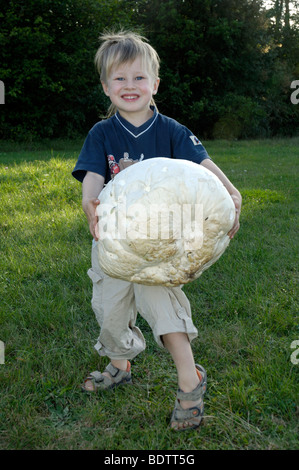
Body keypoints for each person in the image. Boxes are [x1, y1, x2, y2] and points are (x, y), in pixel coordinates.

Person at [72, 31, 242, 431]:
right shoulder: (102, 134)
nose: (130, 86)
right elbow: (94, 176)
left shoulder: (172, 131)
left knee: (163, 306)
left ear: (155, 85)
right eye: (120, 78)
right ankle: (119, 362)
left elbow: (204, 165)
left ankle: (190, 380)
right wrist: (88, 201)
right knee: (109, 312)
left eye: (139, 78)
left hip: (165, 243)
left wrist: (230, 190)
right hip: (113, 242)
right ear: (105, 86)